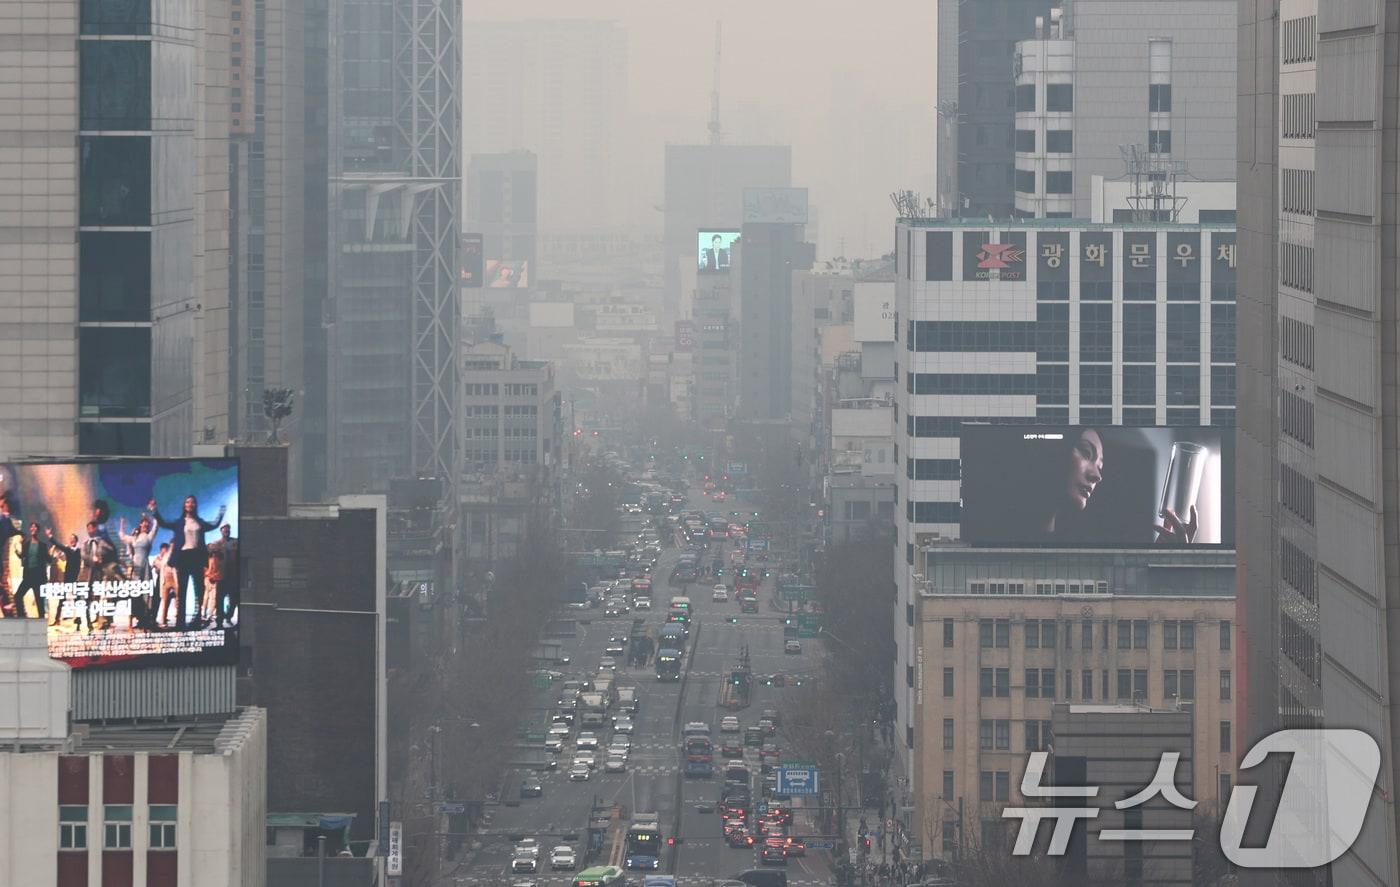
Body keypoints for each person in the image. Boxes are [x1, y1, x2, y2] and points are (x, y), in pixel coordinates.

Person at [149, 495, 225, 629]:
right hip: (183, 557)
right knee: (182, 591)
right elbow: (163, 523)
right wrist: (154, 511)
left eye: (192, 502)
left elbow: (214, 525)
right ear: (184, 505)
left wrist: (220, 513)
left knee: (199, 590)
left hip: (196, 556)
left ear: (195, 505)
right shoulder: (179, 522)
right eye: (187, 502)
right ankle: (180, 622)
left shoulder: (199, 522)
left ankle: (196, 619)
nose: (190, 504)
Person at [13, 521, 49, 619]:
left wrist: (53, 556)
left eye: (35, 527)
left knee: (39, 601)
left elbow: (48, 559)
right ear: (30, 530)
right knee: (17, 596)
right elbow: (22, 556)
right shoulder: (26, 544)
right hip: (28, 576)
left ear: (38, 530)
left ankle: (41, 622)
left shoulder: (42, 545)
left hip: (38, 577)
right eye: (31, 527)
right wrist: (17, 550)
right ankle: (22, 617)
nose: (33, 528)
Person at [206, 524, 238, 629]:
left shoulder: (235, 542)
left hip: (233, 576)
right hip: (221, 576)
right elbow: (208, 550)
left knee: (234, 600)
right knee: (219, 600)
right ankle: (219, 623)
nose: (226, 531)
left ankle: (228, 616)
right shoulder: (217, 543)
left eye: (228, 529)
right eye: (224, 529)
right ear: (221, 531)